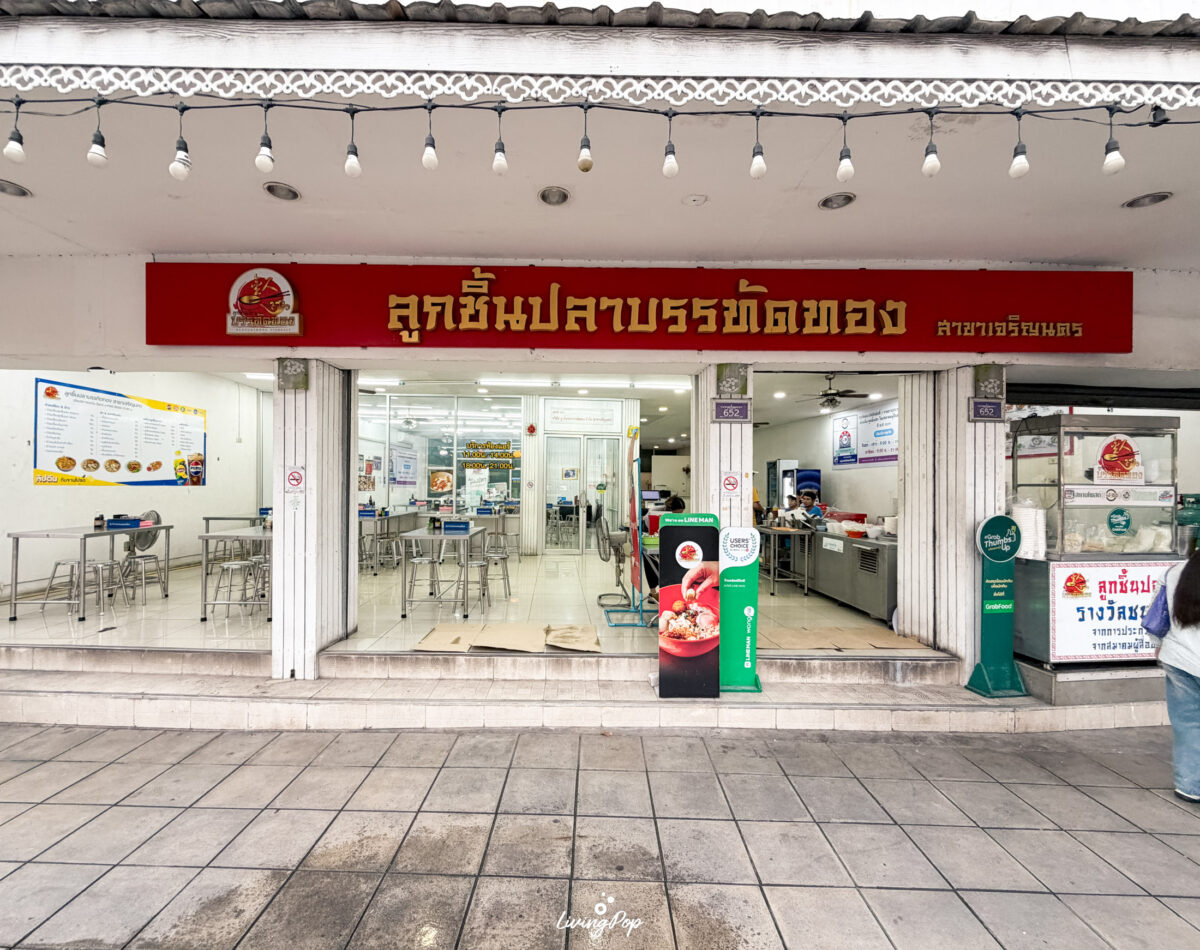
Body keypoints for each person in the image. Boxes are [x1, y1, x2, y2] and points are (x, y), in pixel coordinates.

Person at [1154, 552, 1200, 802]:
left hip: (1179, 658)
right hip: (1181, 658)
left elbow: (1157, 612)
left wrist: (1157, 644)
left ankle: (1189, 786)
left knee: (1188, 724)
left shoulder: (1175, 571)